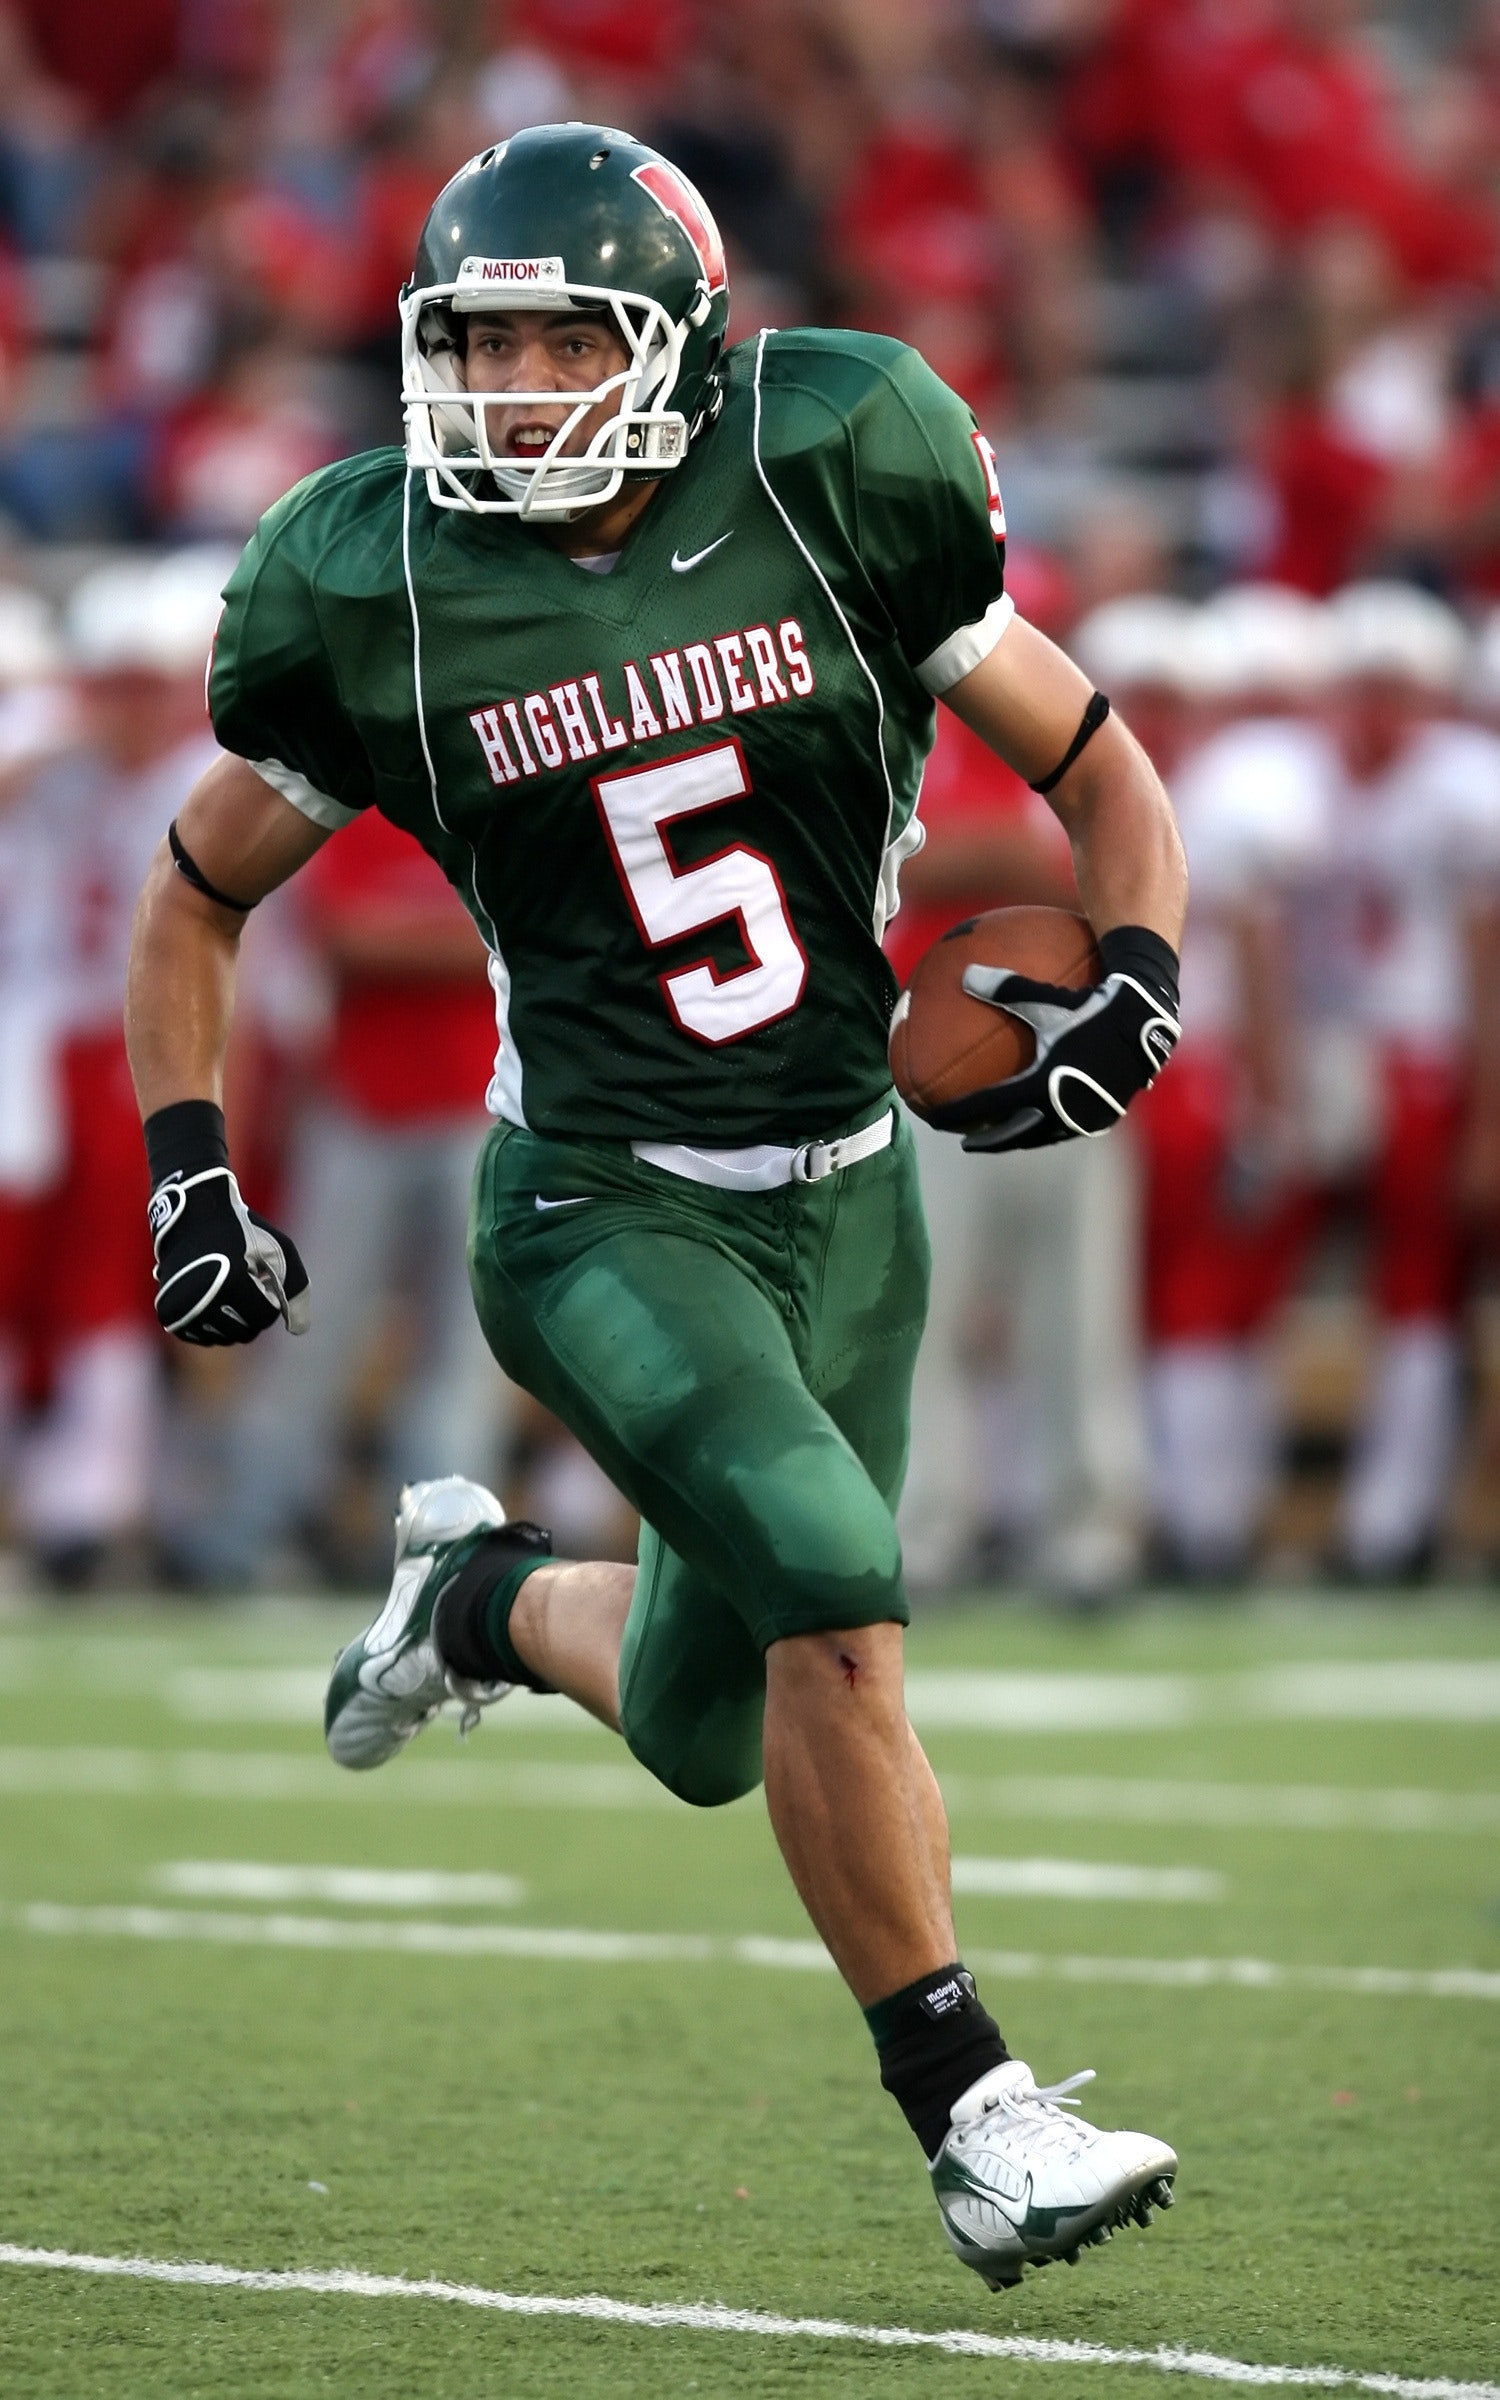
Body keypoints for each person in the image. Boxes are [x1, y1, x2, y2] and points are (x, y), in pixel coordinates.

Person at [124, 124, 1185, 2288]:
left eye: (556, 336)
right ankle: (975, 2116)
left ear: (686, 346)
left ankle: (479, 1601)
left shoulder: (832, 469)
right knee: (840, 1579)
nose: (508, 387)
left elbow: (1095, 762)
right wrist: (188, 1169)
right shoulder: (382, 581)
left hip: (856, 1194)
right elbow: (197, 885)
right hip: (600, 1206)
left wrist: (1143, 965)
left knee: (720, 1720)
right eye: (477, 342)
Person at [3, 552, 226, 1580]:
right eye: (115, 684)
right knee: (31, 1278)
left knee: (119, 1281)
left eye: (148, 685)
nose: (128, 707)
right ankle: (61, 1494)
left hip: (144, 1043)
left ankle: (94, 1502)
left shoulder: (201, 775)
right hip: (45, 1038)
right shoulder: (56, 748)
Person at [1133, 585, 1333, 1579]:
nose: (1154, 716)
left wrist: (1269, 1096)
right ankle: (1191, 1515)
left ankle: (1202, 1514)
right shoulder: (1194, 796)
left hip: (1184, 1064)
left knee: (1195, 1304)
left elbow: (1257, 956)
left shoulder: (1215, 798)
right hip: (1152, 1071)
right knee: (1168, 1304)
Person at [1300, 582, 1500, 1577]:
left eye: (1390, 689)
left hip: (1435, 1061)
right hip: (1358, 1056)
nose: (1369, 711)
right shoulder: (1322, 781)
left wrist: (1487, 1120)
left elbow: (1485, 961)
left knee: (1422, 1293)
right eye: (1356, 687)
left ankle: (1396, 1520)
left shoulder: (1462, 785)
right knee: (1384, 1290)